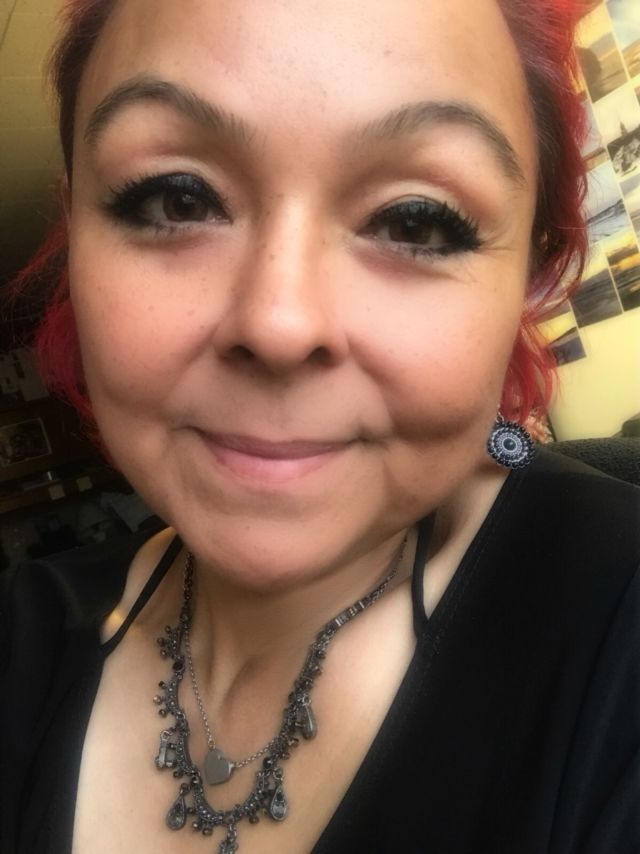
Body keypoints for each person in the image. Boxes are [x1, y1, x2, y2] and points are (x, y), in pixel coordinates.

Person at [1, 1, 638, 852]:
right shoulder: (21, 639)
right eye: (176, 198)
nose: (279, 323)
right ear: (77, 231)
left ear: (531, 271)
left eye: (415, 220)